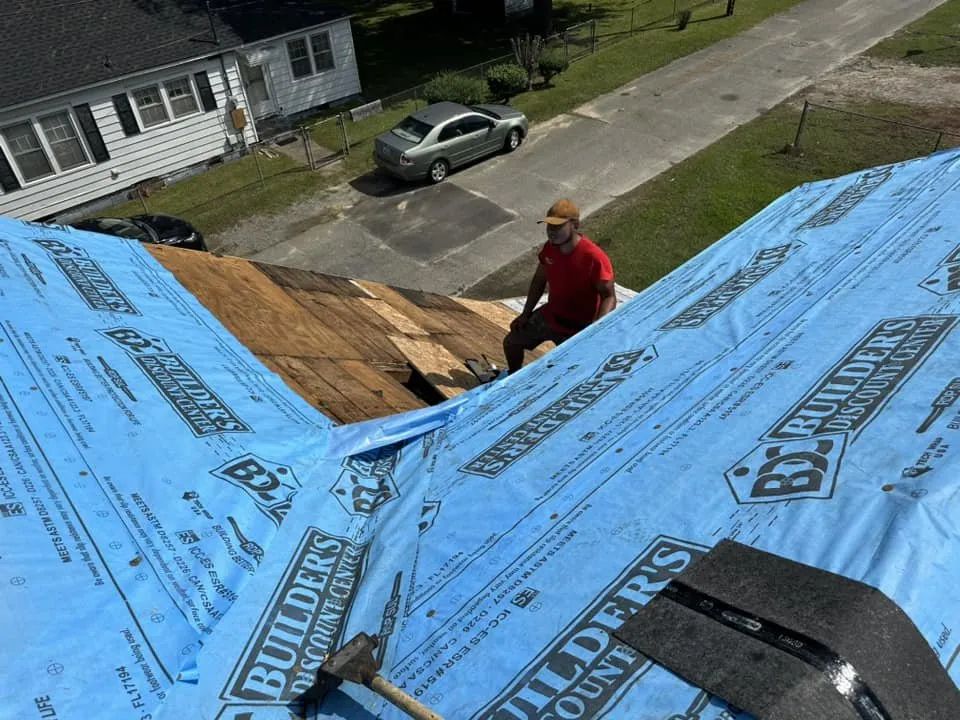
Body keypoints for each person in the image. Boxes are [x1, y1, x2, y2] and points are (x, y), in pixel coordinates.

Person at [503, 198, 616, 374]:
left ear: (575, 225)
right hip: (551, 316)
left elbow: (609, 296)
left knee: (569, 373)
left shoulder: (594, 257)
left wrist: (597, 329)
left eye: (557, 227)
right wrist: (525, 314)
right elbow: (539, 279)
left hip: (578, 328)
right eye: (549, 227)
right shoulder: (550, 248)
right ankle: (511, 376)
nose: (551, 232)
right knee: (512, 342)